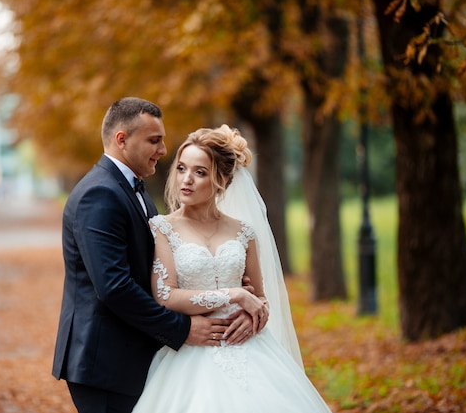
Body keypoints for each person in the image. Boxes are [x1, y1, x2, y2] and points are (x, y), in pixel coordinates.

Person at [52, 98, 258, 413]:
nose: (163, 150)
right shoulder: (99, 194)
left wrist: (241, 295)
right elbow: (114, 287)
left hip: (137, 356)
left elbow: (156, 267)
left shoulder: (134, 190)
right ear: (122, 140)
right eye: (154, 140)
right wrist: (183, 328)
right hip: (105, 362)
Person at [132, 124, 333, 412]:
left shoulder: (244, 232)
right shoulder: (163, 228)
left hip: (250, 349)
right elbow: (165, 295)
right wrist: (236, 295)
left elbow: (261, 298)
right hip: (193, 352)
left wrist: (255, 318)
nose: (186, 180)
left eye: (200, 172)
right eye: (181, 168)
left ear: (222, 181)